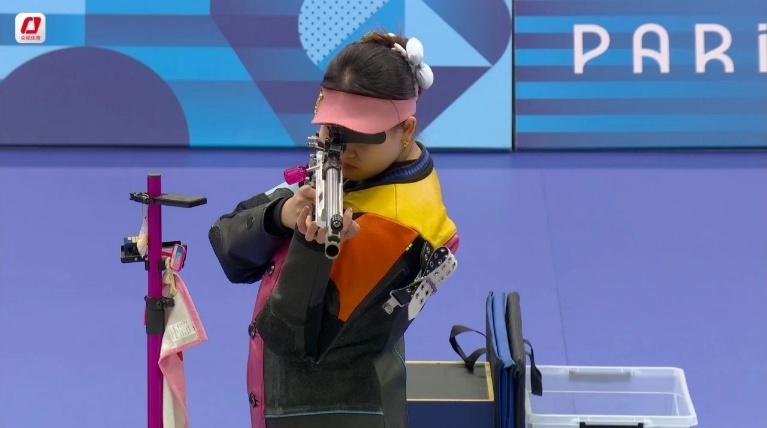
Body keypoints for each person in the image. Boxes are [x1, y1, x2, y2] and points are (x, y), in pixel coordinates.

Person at [208, 30, 459, 428]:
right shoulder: (358, 171)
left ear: (406, 130)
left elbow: (287, 337)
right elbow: (226, 244)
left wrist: (310, 249)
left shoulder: (395, 227)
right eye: (334, 131)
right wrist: (281, 214)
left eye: (364, 133)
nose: (344, 150)